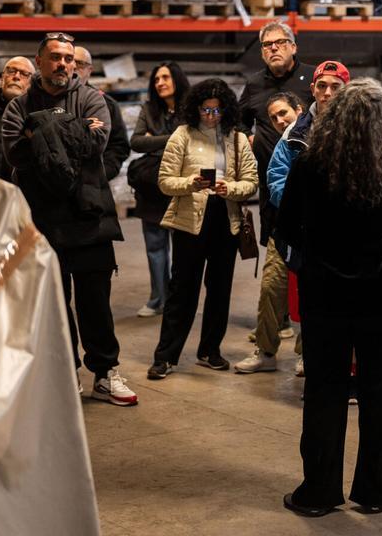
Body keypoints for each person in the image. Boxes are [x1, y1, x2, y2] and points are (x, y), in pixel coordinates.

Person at [278, 79, 382, 517]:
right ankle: (377, 490)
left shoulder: (309, 163)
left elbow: (284, 227)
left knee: (324, 393)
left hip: (325, 297)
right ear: (377, 120)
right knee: (380, 395)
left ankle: (317, 493)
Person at [1, 33, 136, 406]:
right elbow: (15, 154)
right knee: (55, 304)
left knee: (96, 303)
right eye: (55, 58)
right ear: (39, 61)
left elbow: (97, 144)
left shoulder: (93, 98)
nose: (62, 64)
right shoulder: (19, 106)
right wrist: (72, 129)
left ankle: (106, 373)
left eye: (68, 59)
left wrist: (41, 131)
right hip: (43, 219)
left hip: (89, 215)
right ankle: (67, 370)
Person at [236, 62, 348, 376]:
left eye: (335, 87)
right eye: (322, 86)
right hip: (292, 229)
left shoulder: (354, 127)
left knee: (316, 296)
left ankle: (307, 353)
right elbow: (276, 177)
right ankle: (265, 350)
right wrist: (301, 211)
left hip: (335, 235)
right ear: (312, 89)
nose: (327, 93)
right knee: (273, 287)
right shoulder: (294, 132)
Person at [148, 78, 258, 380]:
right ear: (196, 108)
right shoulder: (182, 135)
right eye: (206, 110)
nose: (211, 116)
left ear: (227, 110)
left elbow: (251, 182)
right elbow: (165, 181)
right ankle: (166, 356)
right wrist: (190, 183)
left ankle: (210, 351)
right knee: (182, 290)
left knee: (220, 290)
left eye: (217, 110)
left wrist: (230, 188)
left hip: (225, 218)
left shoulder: (236, 139)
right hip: (189, 220)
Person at [238, 21, 314, 245]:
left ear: (293, 47)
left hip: (306, 174)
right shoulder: (254, 84)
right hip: (270, 179)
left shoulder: (312, 79)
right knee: (274, 241)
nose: (273, 48)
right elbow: (237, 121)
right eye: (267, 44)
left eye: (280, 42)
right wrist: (249, 137)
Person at [128, 61, 191, 317]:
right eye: (156, 79)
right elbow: (136, 142)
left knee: (183, 248)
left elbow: (194, 142)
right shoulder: (149, 109)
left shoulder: (191, 109)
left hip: (181, 186)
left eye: (165, 77)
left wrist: (155, 141)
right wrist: (172, 139)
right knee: (155, 245)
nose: (160, 83)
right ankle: (157, 299)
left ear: (177, 79)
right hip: (151, 187)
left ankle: (178, 299)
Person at [73, 46, 130, 182]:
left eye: (80, 63)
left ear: (90, 70)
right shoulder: (52, 98)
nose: (74, 67)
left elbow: (119, 146)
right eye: (70, 61)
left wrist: (100, 174)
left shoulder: (106, 104)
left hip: (91, 184)